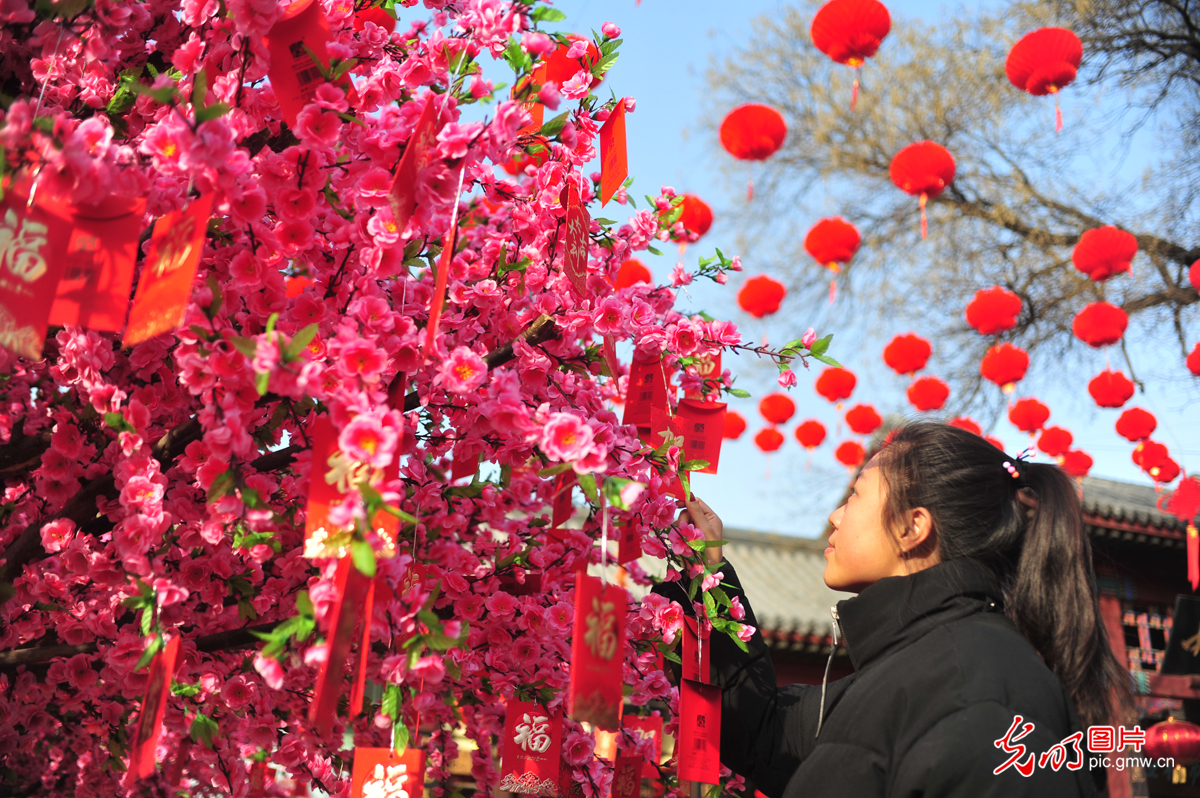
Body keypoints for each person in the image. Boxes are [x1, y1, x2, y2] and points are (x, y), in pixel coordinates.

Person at [658, 422, 1134, 797]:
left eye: (856, 496)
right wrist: (708, 578)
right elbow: (765, 734)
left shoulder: (982, 689)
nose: (835, 515)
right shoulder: (898, 673)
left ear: (913, 527)